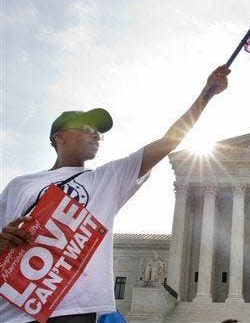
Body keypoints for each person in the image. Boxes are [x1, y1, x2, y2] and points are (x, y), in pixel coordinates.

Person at [0, 65, 230, 322]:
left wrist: (206, 94)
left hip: (73, 309)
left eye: (99, 132)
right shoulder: (20, 186)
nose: (96, 135)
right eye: (88, 128)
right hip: (14, 311)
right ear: (60, 136)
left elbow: (168, 142)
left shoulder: (106, 180)